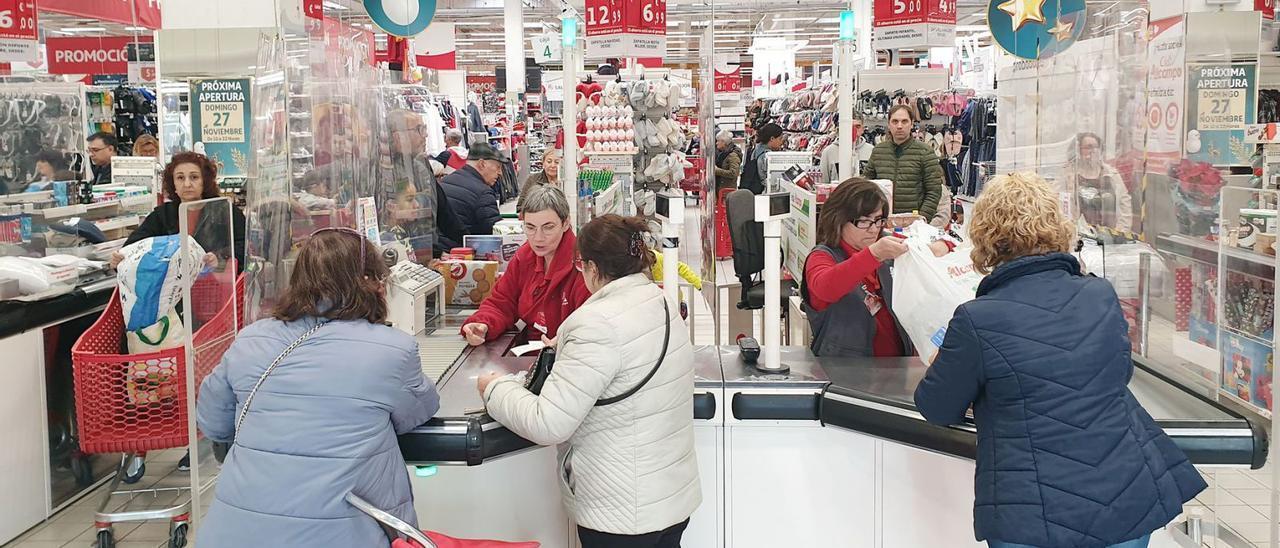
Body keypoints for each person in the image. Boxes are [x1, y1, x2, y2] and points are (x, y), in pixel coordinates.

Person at [914, 172, 1205, 548]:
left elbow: (936, 407)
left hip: (1032, 512)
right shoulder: (1099, 294)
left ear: (986, 237)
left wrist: (950, 366)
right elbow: (1118, 373)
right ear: (1055, 226)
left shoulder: (977, 319)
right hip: (1127, 494)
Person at [196, 228, 441, 547]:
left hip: (235, 533)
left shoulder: (250, 339)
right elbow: (418, 411)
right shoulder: (392, 350)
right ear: (372, 282)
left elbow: (213, 421)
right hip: (345, 532)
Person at [477, 214, 700, 548]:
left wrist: (495, 387)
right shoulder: (661, 301)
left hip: (621, 511)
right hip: (671, 496)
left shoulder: (595, 324)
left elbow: (548, 423)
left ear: (593, 267)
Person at [800, 178, 949, 358]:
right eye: (863, 221)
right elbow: (825, 288)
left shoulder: (884, 242)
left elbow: (944, 242)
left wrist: (940, 246)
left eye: (878, 220)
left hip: (897, 369)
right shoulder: (822, 256)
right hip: (844, 375)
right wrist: (874, 255)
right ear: (838, 219)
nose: (873, 229)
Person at [461, 185, 590, 346]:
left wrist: (566, 341)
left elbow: (592, 325)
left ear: (565, 224)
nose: (538, 238)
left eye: (548, 227)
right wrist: (482, 324)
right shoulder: (525, 257)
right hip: (530, 353)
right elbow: (502, 302)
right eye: (530, 227)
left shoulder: (584, 266)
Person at [111, 152, 246, 273]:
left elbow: (246, 246)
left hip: (215, 287)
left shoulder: (224, 210)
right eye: (180, 178)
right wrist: (121, 257)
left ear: (204, 182)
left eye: (194, 177)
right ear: (173, 183)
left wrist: (220, 258)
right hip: (172, 293)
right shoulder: (162, 215)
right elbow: (135, 246)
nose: (187, 184)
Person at [385, 109, 464, 257]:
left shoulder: (421, 165)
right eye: (419, 129)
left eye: (425, 129)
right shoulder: (386, 171)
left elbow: (444, 212)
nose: (426, 135)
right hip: (403, 257)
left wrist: (468, 244)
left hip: (428, 254)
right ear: (398, 136)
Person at [863, 105, 944, 219]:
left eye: (904, 121)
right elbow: (867, 182)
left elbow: (934, 191)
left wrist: (922, 218)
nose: (899, 126)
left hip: (913, 220)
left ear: (911, 124)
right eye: (895, 121)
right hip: (882, 219)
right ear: (889, 124)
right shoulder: (878, 151)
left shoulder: (925, 152)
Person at [1069, 132, 1133, 233]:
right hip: (1080, 237)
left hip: (1110, 238)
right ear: (1078, 151)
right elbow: (1060, 205)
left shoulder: (1111, 174)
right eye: (1088, 147)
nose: (1093, 151)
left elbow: (1124, 204)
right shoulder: (1069, 175)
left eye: (1096, 147)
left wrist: (1121, 232)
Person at [440, 142, 504, 241]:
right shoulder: (483, 193)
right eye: (498, 167)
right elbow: (494, 233)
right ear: (482, 164)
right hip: (464, 252)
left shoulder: (444, 182)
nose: (500, 173)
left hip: (438, 251)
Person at [819, 113, 875, 183]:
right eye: (849, 127)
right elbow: (824, 183)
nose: (853, 131)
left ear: (862, 129)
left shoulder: (871, 151)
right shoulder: (829, 152)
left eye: (857, 126)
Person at [739, 122, 783, 195]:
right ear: (772, 138)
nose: (781, 142)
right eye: (780, 139)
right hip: (760, 193)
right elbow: (763, 178)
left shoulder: (756, 148)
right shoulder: (765, 155)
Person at [517, 148, 561, 214]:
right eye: (549, 161)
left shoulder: (566, 183)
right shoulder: (533, 179)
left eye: (557, 162)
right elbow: (520, 206)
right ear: (543, 163)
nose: (553, 165)